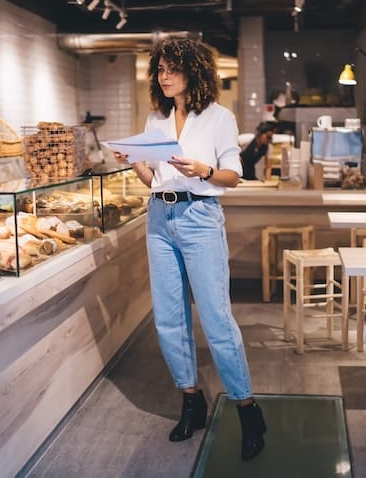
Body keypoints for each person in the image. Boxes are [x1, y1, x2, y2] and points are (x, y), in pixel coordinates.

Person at [112, 38, 266, 460]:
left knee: (217, 318)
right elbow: (153, 180)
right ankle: (191, 401)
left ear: (192, 72)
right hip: (159, 218)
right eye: (159, 70)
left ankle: (248, 409)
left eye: (171, 69)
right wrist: (136, 161)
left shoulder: (218, 117)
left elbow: (234, 175)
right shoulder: (156, 118)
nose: (163, 76)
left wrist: (205, 170)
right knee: (168, 317)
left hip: (200, 218)